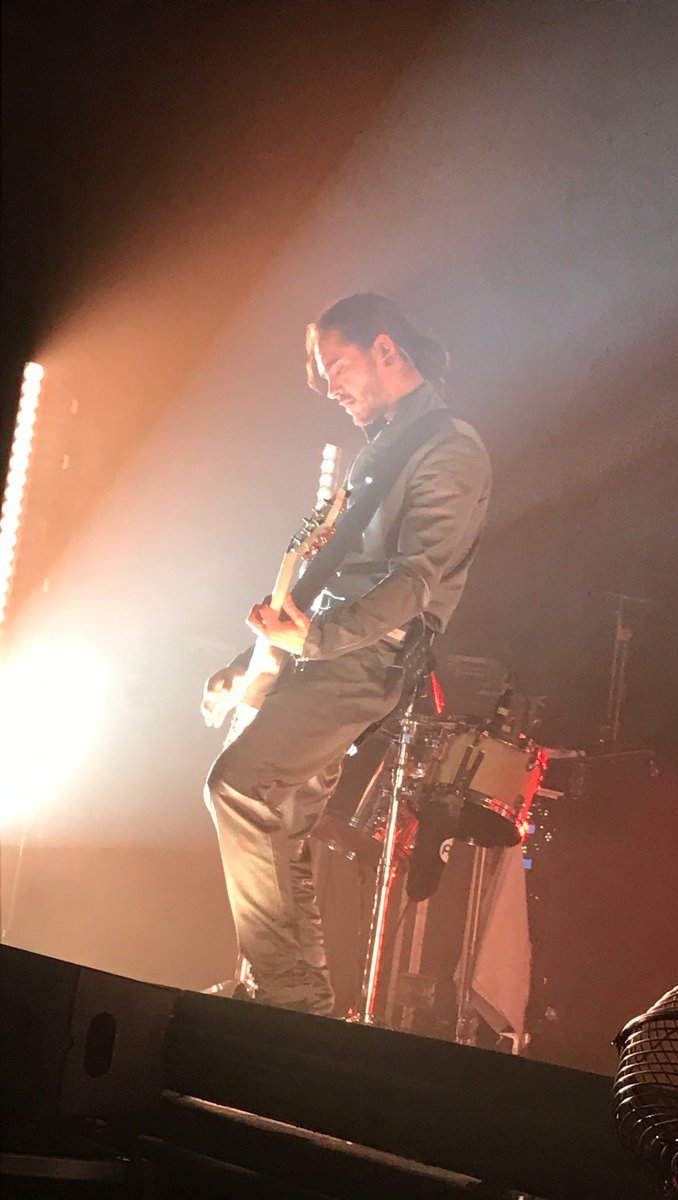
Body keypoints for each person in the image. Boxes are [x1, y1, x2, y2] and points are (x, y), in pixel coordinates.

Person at [200, 293, 491, 1015]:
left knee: (240, 787)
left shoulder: (449, 448)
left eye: (336, 365)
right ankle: (291, 1001)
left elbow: (416, 582)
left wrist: (316, 639)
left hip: (365, 659)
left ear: (386, 349)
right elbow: (320, 569)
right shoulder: (380, 449)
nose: (328, 386)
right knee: (283, 823)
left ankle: (288, 992)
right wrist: (250, 656)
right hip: (320, 648)